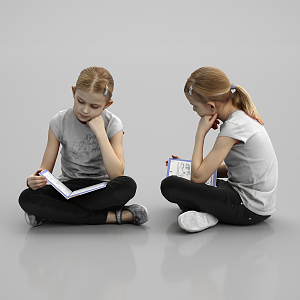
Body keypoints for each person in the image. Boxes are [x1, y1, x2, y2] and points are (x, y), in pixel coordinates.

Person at [19, 66, 149, 227]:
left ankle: (52, 215)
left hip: (102, 189)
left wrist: (100, 132)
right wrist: (34, 180)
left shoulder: (113, 124)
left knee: (127, 185)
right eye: (80, 101)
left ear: (107, 104)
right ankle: (114, 217)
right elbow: (45, 171)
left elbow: (117, 174)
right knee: (27, 197)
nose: (85, 110)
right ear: (73, 92)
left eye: (94, 106)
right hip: (68, 187)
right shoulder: (59, 121)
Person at [161, 67, 278, 233]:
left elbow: (198, 178)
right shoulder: (240, 119)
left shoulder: (233, 127)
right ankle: (212, 211)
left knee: (170, 185)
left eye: (194, 106)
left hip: (249, 208)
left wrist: (200, 134)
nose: (194, 110)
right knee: (183, 180)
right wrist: (188, 167)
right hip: (251, 199)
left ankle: (212, 214)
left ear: (211, 106)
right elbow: (234, 170)